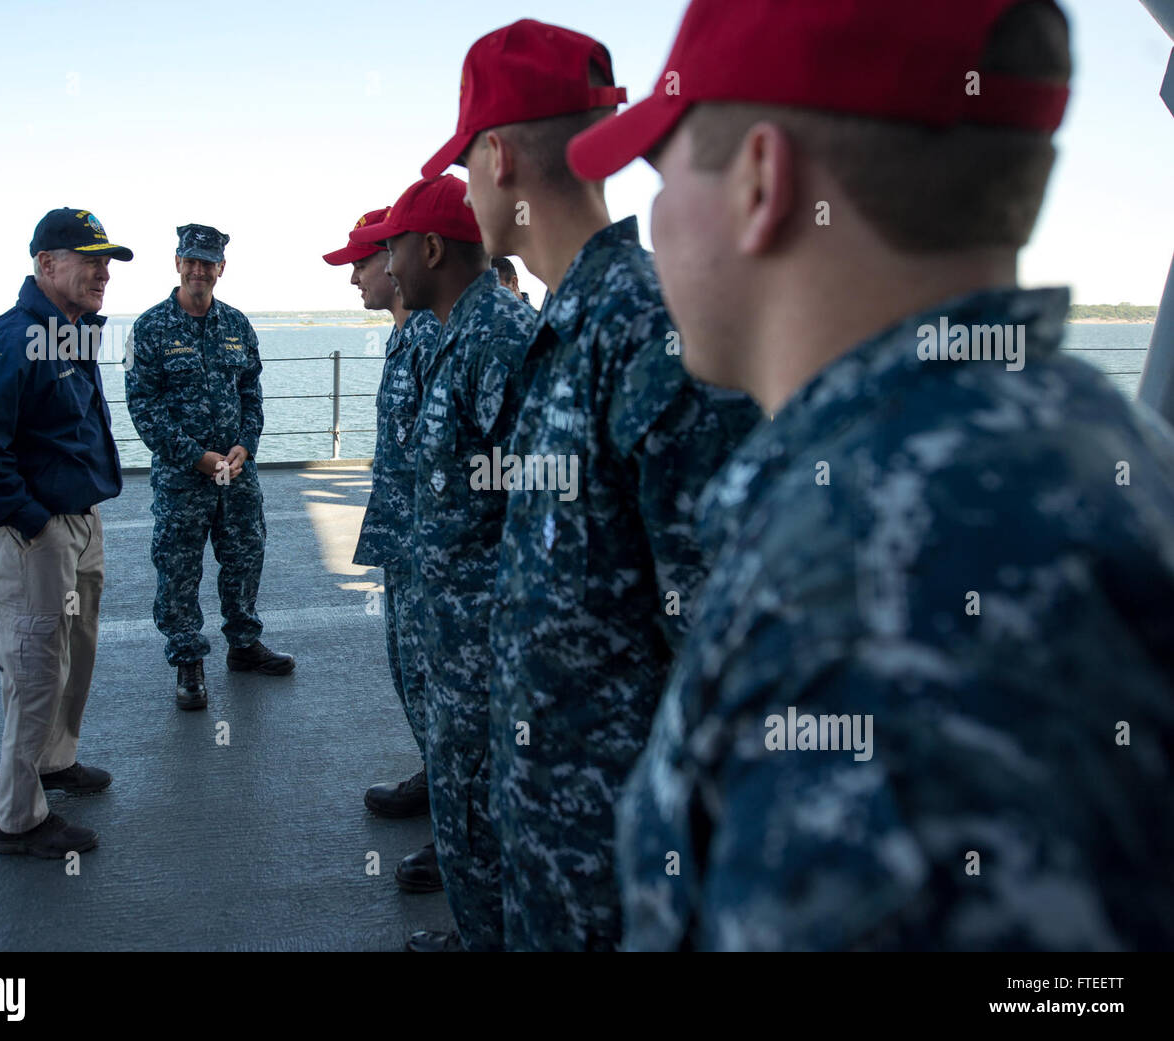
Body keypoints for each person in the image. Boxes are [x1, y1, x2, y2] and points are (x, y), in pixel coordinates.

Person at [569, 0, 1174, 951]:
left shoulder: (870, 592)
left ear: (760, 182)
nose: (651, 225)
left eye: (658, 164)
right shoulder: (1103, 448)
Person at [424, 18, 764, 951]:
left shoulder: (646, 331)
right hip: (554, 844)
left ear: (496, 156)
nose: (464, 188)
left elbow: (725, 647)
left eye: (464, 164)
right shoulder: (567, 330)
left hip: (622, 867)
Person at [353, 175, 536, 952]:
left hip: (483, 624)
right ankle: (477, 928)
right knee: (464, 788)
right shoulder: (458, 330)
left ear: (430, 249)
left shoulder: (494, 338)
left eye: (393, 247)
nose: (386, 265)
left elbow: (533, 498)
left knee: (486, 789)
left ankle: (488, 935)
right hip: (450, 613)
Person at [0, 207, 130, 858]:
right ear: (46, 264)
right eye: (89, 258)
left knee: (75, 653)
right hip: (37, 532)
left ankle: (55, 760)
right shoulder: (15, 337)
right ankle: (18, 817)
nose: (103, 271)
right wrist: (31, 519)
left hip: (78, 519)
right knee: (35, 665)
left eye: (107, 260)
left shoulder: (66, 331)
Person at [323, 209, 446, 895]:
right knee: (411, 674)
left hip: (432, 550)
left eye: (360, 263)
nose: (355, 279)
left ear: (394, 261)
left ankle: (460, 831)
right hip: (403, 542)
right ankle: (438, 781)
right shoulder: (403, 338)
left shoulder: (431, 338)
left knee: (442, 684)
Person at [125, 225, 294, 711]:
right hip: (183, 478)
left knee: (245, 555)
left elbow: (251, 393)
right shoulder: (150, 328)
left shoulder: (237, 325)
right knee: (178, 568)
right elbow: (144, 408)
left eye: (208, 262)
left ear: (222, 267)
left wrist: (246, 444)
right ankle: (188, 660)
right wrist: (196, 457)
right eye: (191, 261)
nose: (199, 270)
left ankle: (243, 644)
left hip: (237, 475)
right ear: (177, 263)